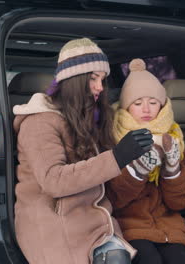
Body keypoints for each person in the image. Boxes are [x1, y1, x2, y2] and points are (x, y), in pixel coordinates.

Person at [13, 38, 154, 264]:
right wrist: (117, 157)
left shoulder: (90, 120)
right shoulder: (40, 121)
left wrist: (138, 168)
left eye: (103, 79)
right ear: (73, 81)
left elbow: (106, 187)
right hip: (55, 224)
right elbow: (53, 181)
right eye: (92, 79)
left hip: (96, 223)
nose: (100, 87)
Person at [105, 59, 185, 264]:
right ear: (126, 107)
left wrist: (172, 170)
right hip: (128, 225)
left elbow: (181, 202)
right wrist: (138, 170)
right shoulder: (112, 137)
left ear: (163, 106)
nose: (146, 109)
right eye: (137, 103)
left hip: (169, 226)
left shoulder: (174, 138)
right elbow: (112, 199)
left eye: (153, 102)